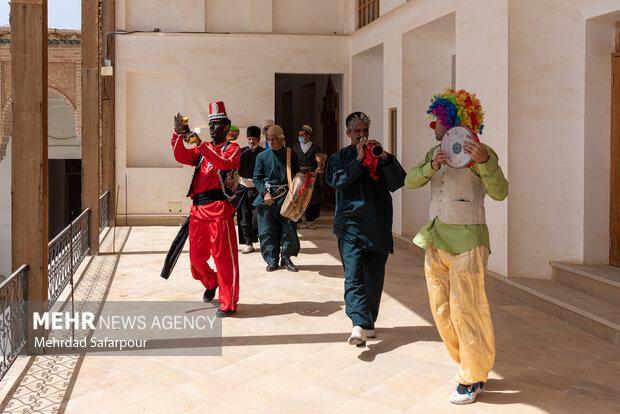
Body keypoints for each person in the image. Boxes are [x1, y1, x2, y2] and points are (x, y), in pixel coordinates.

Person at [404, 88, 508, 404]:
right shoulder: (434, 152)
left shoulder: (481, 151)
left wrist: (485, 162)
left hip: (468, 242)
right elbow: (410, 182)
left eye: (435, 119)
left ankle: (471, 376)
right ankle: (469, 364)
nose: (431, 125)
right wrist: (429, 167)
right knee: (442, 309)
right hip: (435, 239)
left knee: (468, 309)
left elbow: (500, 192)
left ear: (451, 121)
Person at [326, 112, 406, 346]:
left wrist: (387, 158)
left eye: (365, 131)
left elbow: (398, 182)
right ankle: (358, 324)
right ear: (348, 133)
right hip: (350, 226)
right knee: (353, 275)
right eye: (357, 131)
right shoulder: (340, 157)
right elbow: (337, 182)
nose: (362, 136)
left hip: (378, 225)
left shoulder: (379, 155)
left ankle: (369, 322)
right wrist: (358, 161)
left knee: (374, 277)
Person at [170, 101, 241, 318]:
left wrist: (201, 145)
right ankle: (211, 282)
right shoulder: (202, 151)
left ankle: (228, 303)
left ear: (227, 127)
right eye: (211, 124)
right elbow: (181, 156)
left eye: (217, 124)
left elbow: (224, 164)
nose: (213, 128)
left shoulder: (233, 149)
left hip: (219, 210)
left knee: (224, 260)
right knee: (196, 259)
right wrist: (178, 134)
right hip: (198, 211)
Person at [253, 124, 301, 272]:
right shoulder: (261, 156)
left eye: (274, 139)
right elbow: (257, 178)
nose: (271, 142)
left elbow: (297, 175)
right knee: (267, 231)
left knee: (289, 230)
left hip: (286, 198)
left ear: (282, 139)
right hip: (268, 198)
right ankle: (271, 260)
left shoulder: (291, 155)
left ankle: (286, 258)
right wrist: (265, 193)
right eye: (268, 139)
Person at [236, 126, 265, 254]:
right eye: (249, 139)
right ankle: (248, 243)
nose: (251, 141)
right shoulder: (241, 152)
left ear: (258, 139)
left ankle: (263, 240)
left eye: (254, 139)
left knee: (257, 217)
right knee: (244, 216)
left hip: (258, 189)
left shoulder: (263, 153)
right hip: (243, 188)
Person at [291, 124, 325, 229]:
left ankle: (310, 220)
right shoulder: (295, 147)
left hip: (311, 175)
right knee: (298, 197)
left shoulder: (315, 147)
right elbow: (292, 161)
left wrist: (316, 171)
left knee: (312, 198)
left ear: (308, 136)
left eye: (302, 135)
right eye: (299, 135)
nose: (300, 137)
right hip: (299, 175)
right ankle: (298, 220)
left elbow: (320, 162)